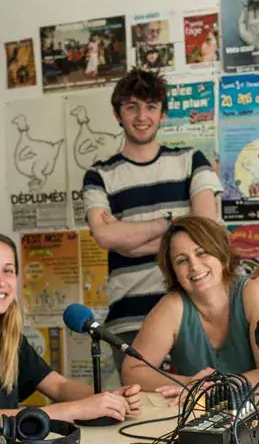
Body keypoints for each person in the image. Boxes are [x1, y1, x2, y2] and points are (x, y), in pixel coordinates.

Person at [0, 231, 142, 444]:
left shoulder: (5, 338)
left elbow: (58, 386)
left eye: (8, 270)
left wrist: (106, 399)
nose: (0, 281)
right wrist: (79, 409)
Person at [84, 68, 223, 377]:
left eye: (150, 106)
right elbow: (105, 236)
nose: (141, 116)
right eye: (131, 106)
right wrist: (173, 221)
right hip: (129, 318)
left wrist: (131, 240)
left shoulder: (191, 160)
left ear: (163, 114)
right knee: (142, 413)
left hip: (192, 311)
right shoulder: (99, 175)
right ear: (117, 113)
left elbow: (205, 227)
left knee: (201, 403)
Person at [122, 216, 259, 402]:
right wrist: (191, 383)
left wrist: (220, 387)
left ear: (221, 256)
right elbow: (132, 372)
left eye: (202, 253)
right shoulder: (172, 306)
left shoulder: (253, 293)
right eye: (182, 260)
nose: (194, 266)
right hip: (196, 417)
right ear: (173, 272)